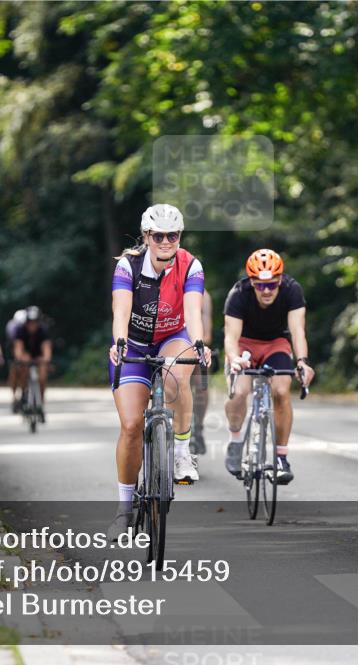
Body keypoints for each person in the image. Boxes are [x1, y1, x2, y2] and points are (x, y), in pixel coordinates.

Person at [107, 203, 211, 540]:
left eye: (174, 235)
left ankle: (182, 452)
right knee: (131, 424)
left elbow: (193, 311)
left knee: (176, 378)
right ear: (147, 236)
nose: (167, 241)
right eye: (159, 235)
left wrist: (198, 343)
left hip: (172, 336)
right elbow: (120, 310)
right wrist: (120, 341)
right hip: (134, 344)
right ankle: (123, 510)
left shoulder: (190, 265)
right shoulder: (128, 265)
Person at [223, 249, 315, 484]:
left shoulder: (292, 290)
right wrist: (234, 359)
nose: (266, 291)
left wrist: (302, 362)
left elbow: (297, 331)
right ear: (251, 282)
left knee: (282, 391)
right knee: (240, 391)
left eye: (271, 285)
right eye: (260, 285)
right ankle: (235, 441)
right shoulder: (239, 293)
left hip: (276, 344)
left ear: (280, 280)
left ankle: (281, 458)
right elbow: (231, 337)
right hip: (244, 345)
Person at [13, 305, 52, 406]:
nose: (32, 324)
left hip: (39, 357)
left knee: (42, 376)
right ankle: (24, 391)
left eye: (35, 322)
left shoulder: (43, 330)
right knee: (22, 368)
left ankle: (41, 401)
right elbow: (18, 347)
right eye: (30, 322)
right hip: (26, 357)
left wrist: (46, 358)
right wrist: (20, 357)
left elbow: (46, 347)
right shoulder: (20, 330)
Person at [190, 290, 213, 455]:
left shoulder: (203, 295)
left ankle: (198, 429)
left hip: (195, 345)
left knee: (201, 384)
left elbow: (207, 335)